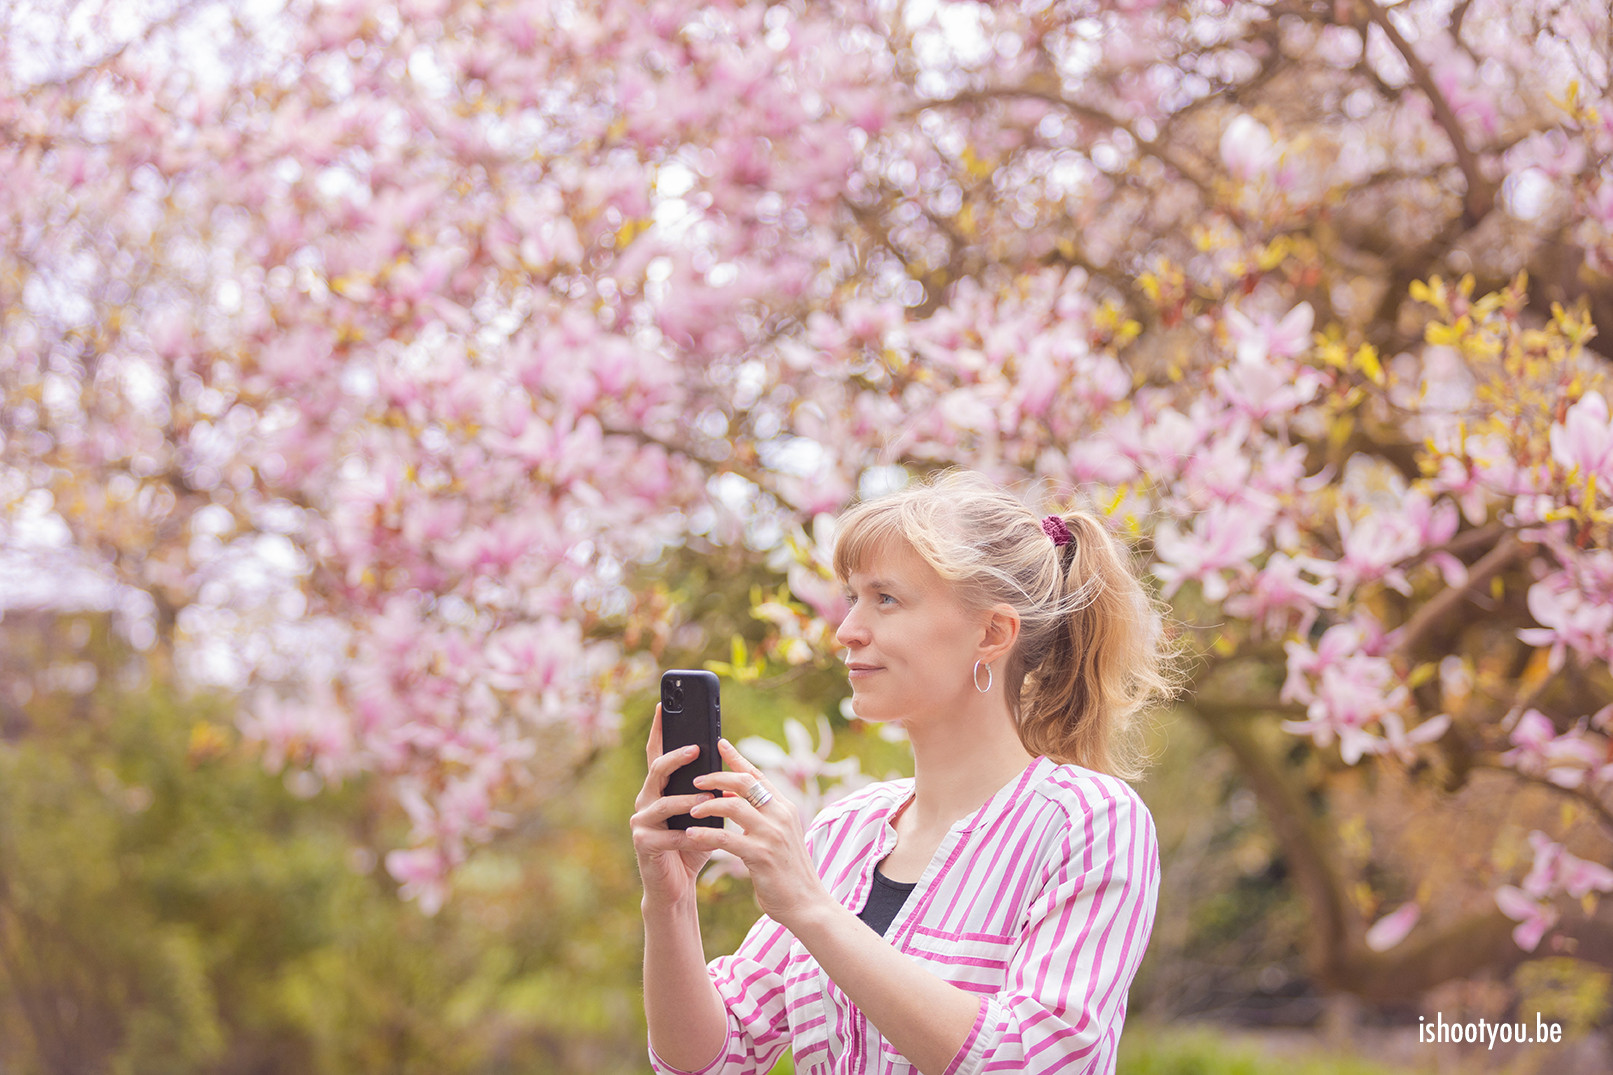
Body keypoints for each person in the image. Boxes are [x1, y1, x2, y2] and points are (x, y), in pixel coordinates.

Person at [632, 470, 1180, 1075]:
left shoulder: (1089, 822)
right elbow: (716, 1059)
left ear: (992, 633)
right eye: (851, 598)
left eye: (885, 599)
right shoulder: (845, 831)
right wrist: (670, 901)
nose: (847, 631)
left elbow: (1034, 1060)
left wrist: (813, 909)